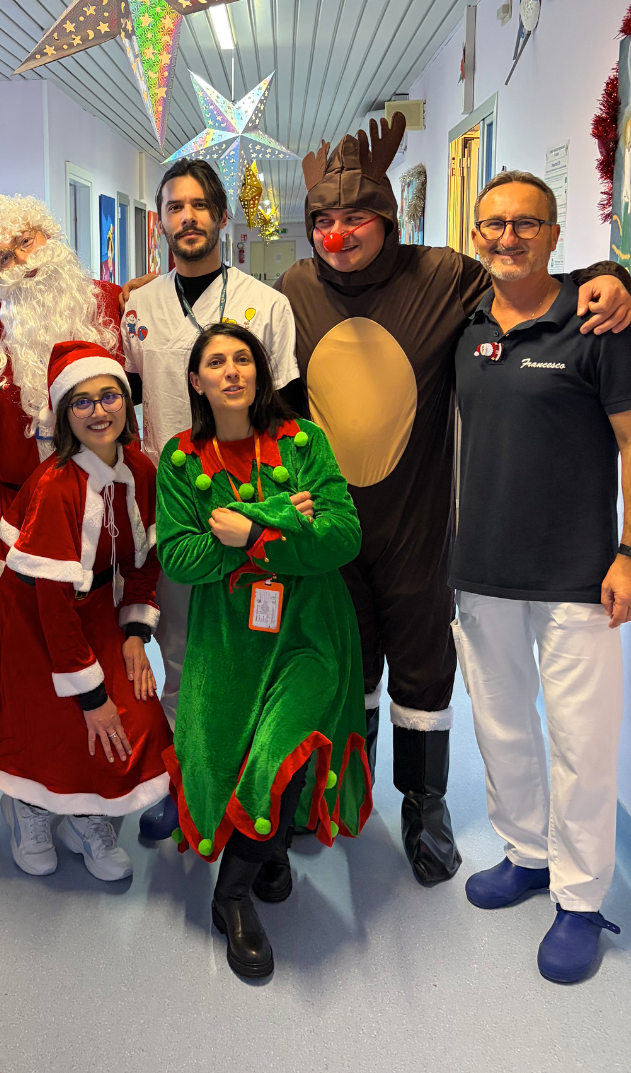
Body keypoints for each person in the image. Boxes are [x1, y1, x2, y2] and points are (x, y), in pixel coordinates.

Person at [275, 113, 631, 886]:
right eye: (324, 220)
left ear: (388, 218)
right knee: (341, 661)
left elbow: (531, 282)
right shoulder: (294, 287)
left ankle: (423, 802)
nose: (339, 234)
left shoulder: (443, 276)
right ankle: (342, 787)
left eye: (356, 217)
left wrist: (613, 275)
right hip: (328, 526)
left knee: (424, 667)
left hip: (421, 524)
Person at [451, 172, 630, 984]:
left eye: (527, 223)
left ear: (556, 234)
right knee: (501, 727)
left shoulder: (598, 325)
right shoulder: (465, 326)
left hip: (578, 575)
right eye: (493, 224)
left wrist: (629, 553)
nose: (508, 237)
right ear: (475, 235)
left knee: (581, 743)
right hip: (483, 567)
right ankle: (526, 852)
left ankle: (582, 898)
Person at [155, 323, 369, 980]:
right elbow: (180, 556)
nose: (231, 371)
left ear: (261, 371)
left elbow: (342, 537)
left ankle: (231, 896)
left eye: (243, 359)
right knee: (235, 752)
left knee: (284, 744)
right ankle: (268, 848)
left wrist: (253, 530)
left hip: (310, 633)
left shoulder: (303, 442)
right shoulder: (180, 459)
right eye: (216, 362)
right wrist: (287, 516)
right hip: (229, 641)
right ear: (197, 381)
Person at [120, 158, 301, 841]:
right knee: (180, 648)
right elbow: (123, 405)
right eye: (175, 207)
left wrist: (276, 511)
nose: (188, 218)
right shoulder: (138, 309)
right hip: (174, 502)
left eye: (199, 206)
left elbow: (288, 410)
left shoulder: (266, 303)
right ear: (161, 222)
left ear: (222, 217)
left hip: (250, 501)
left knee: (254, 648)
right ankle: (184, 780)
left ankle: (253, 786)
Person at [0, 341, 172, 880]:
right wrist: (92, 696)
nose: (99, 411)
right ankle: (28, 806)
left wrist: (135, 633)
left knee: (133, 715)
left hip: (94, 610)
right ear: (65, 414)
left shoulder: (141, 470)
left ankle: (88, 816)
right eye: (82, 401)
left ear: (126, 402)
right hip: (31, 618)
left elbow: (145, 561)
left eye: (109, 396)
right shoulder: (56, 485)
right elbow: (51, 605)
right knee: (46, 720)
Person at [0, 194, 125, 580]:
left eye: (25, 241)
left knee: (99, 603)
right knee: (21, 610)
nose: (22, 260)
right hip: (15, 507)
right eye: (4, 257)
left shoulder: (110, 300)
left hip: (102, 495)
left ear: (47, 236)